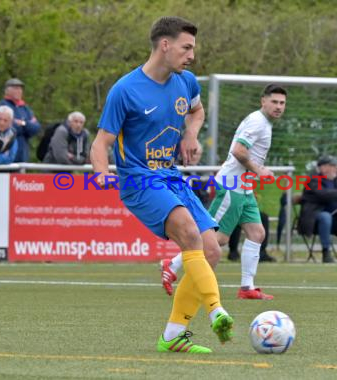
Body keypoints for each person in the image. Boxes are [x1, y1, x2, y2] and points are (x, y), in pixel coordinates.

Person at [90, 16, 233, 354]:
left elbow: (196, 113)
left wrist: (191, 134)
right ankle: (217, 311)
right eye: (187, 47)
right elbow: (101, 142)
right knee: (188, 231)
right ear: (165, 45)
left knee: (211, 250)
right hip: (139, 180)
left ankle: (173, 335)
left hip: (171, 177)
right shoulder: (125, 90)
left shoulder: (186, 82)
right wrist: (100, 172)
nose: (192, 56)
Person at [163, 84, 287, 300]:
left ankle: (247, 288)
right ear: (263, 101)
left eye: (282, 103)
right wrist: (260, 170)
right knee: (216, 239)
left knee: (257, 233)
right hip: (232, 186)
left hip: (244, 188)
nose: (278, 106)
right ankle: (172, 264)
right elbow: (239, 151)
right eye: (274, 101)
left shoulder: (264, 123)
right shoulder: (258, 122)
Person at [0, 78, 40, 162]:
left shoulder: (25, 108)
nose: (19, 91)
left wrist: (22, 123)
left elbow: (35, 128)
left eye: (20, 89)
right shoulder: (2, 106)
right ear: (7, 91)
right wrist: (26, 125)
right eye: (16, 88)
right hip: (6, 152)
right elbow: (8, 128)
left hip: (23, 154)